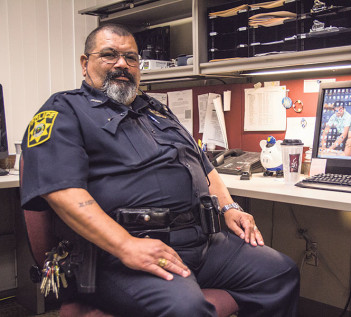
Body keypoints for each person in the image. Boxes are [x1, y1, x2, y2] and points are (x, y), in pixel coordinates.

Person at [20, 24, 299, 317]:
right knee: (185, 308)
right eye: (109, 55)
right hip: (119, 254)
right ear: (84, 63)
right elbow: (61, 191)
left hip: (200, 242)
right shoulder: (63, 110)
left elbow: (202, 165)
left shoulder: (156, 110)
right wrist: (126, 245)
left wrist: (229, 206)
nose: (121, 64)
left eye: (131, 58)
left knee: (279, 273)